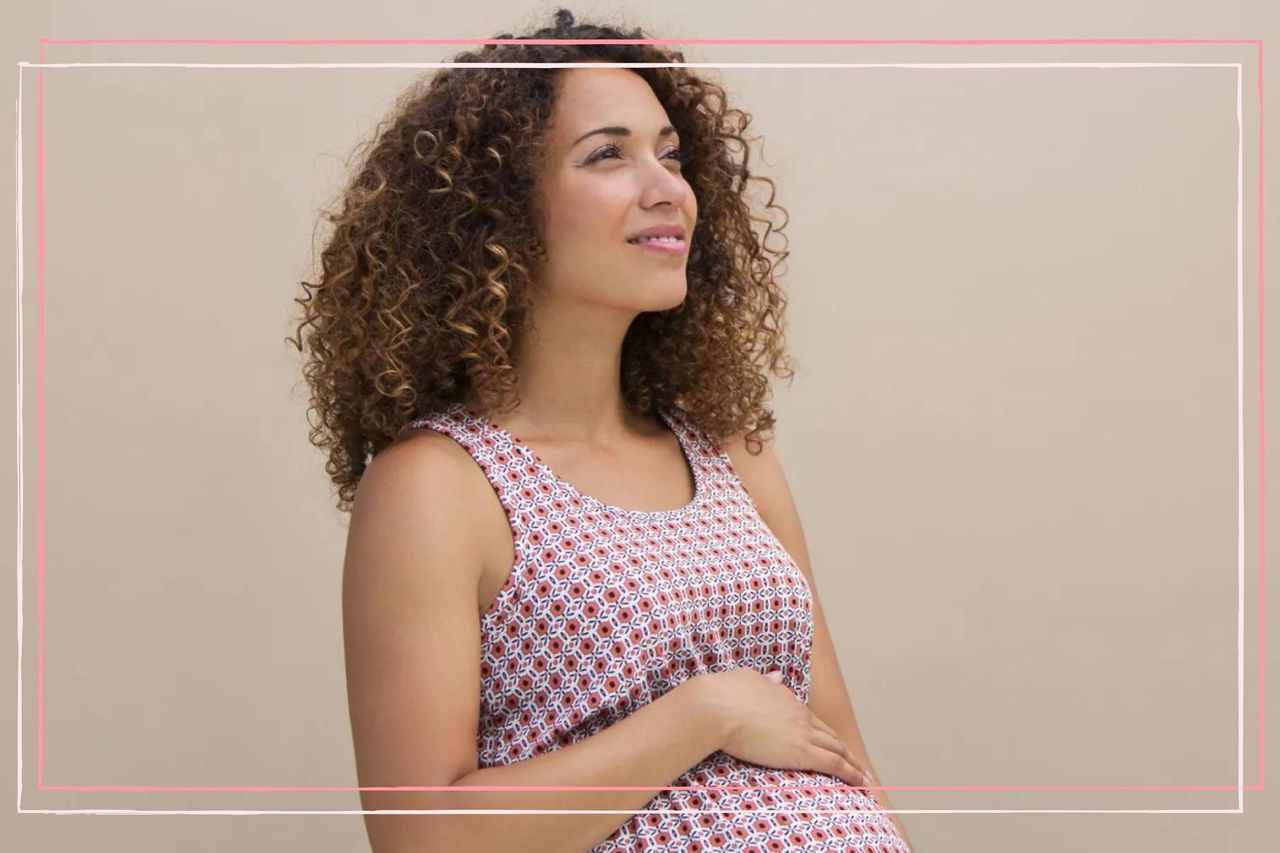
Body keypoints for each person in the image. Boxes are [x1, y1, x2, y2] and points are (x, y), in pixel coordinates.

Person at [290, 8, 914, 852]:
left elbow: (845, 762)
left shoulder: (727, 451)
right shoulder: (440, 484)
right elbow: (421, 833)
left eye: (671, 153)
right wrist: (706, 711)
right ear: (494, 215)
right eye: (608, 155)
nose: (666, 188)